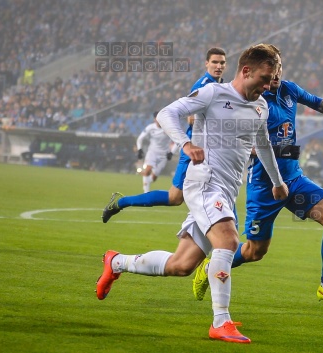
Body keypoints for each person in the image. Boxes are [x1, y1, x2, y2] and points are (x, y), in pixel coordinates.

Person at [96, 44, 288, 344]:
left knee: (181, 265)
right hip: (204, 183)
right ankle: (221, 322)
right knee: (228, 240)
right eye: (265, 77)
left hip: (225, 190)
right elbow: (167, 113)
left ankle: (116, 262)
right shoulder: (214, 94)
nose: (268, 84)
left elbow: (262, 144)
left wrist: (277, 181)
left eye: (273, 78)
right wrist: (186, 144)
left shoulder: (261, 106)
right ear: (246, 71)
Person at [191, 44, 323, 310]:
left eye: (278, 69)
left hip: (294, 179)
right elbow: (247, 141)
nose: (275, 75)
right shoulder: (252, 100)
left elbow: (315, 101)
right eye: (271, 70)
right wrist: (273, 150)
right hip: (264, 185)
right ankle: (211, 265)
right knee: (254, 252)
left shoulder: (289, 89)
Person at [101, 48, 227, 223]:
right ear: (207, 63)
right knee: (175, 197)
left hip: (212, 150)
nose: (218, 66)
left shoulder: (223, 86)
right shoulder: (203, 85)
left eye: (222, 62)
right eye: (214, 62)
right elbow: (191, 118)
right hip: (195, 149)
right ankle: (121, 202)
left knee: (214, 192)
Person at [135, 111, 174, 193]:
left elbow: (177, 140)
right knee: (147, 170)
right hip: (152, 152)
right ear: (154, 119)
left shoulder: (168, 128)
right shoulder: (150, 127)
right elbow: (140, 138)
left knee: (153, 178)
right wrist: (139, 149)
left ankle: (146, 182)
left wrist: (171, 152)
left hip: (164, 155)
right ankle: (146, 193)